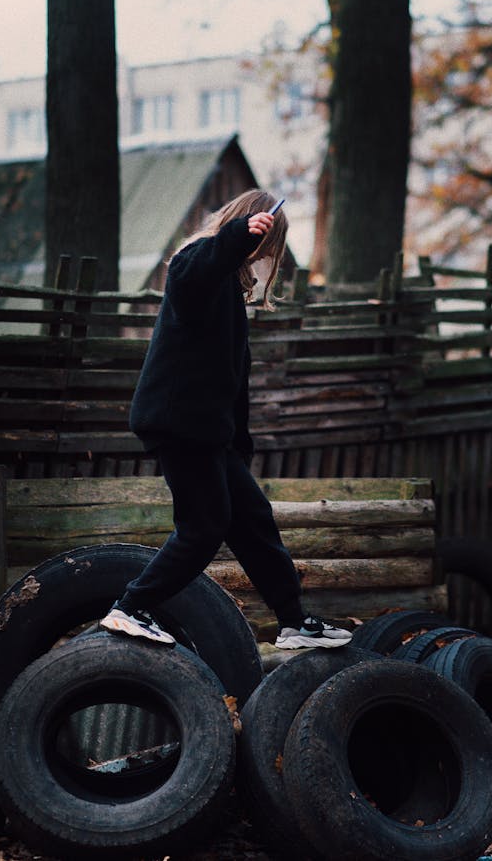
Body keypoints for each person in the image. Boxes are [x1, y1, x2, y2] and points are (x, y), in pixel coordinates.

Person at [101, 189, 352, 650]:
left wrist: (238, 443)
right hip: (179, 423)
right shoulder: (194, 262)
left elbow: (231, 378)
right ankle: (131, 607)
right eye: (264, 244)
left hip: (211, 434)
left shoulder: (228, 293)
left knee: (253, 518)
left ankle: (294, 622)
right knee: (204, 528)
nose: (264, 257)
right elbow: (201, 267)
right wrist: (239, 233)